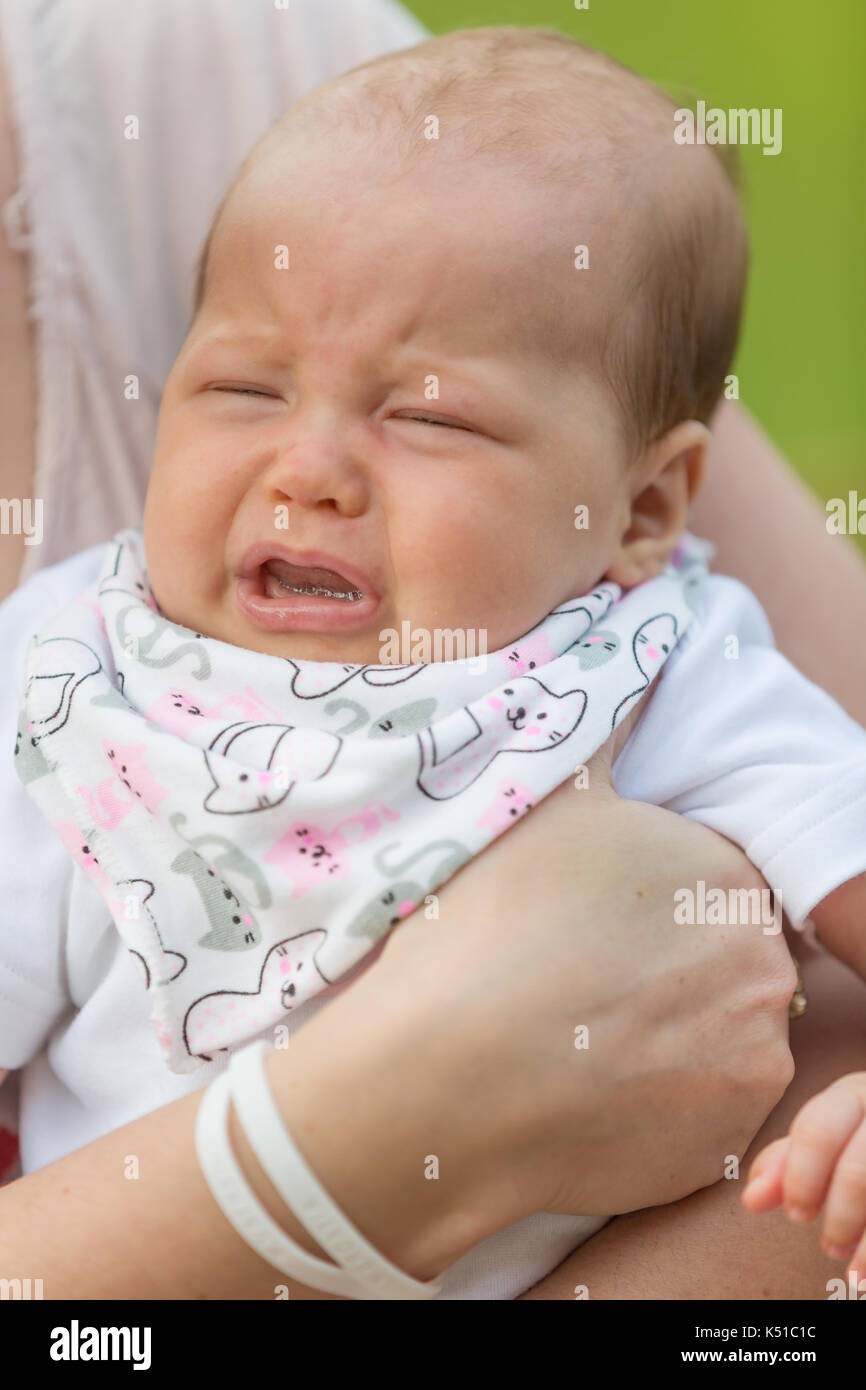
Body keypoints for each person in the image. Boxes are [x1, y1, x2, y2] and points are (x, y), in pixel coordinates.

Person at [0, 1, 864, 1302]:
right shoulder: (79, 675)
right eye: (244, 387)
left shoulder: (647, 656)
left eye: (427, 416)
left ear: (637, 510)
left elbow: (836, 838)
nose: (309, 469)